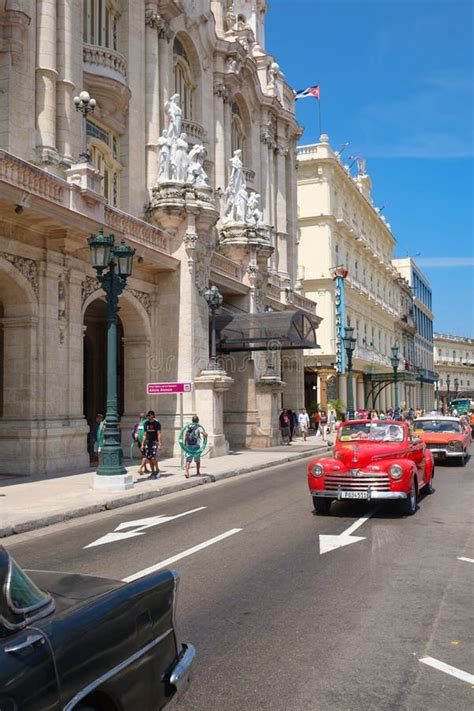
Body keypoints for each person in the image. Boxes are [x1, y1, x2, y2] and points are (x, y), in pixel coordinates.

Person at [140, 410, 162, 479]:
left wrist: (159, 443)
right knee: (149, 458)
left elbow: (159, 434)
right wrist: (142, 444)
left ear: (152, 416)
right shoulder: (146, 424)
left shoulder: (157, 424)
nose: (148, 417)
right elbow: (144, 435)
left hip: (154, 442)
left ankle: (157, 469)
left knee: (153, 458)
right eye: (147, 415)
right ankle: (153, 472)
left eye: (149, 415)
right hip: (148, 442)